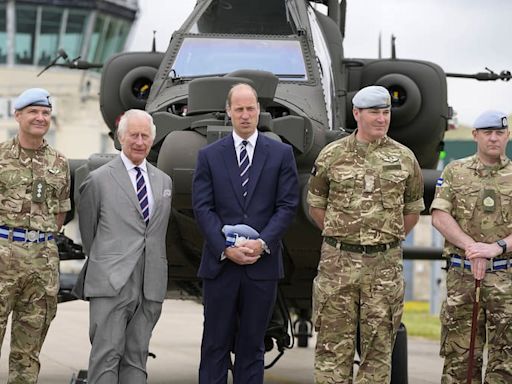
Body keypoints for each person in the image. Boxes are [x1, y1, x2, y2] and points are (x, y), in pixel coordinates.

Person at [307, 85, 425, 383]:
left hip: (383, 267)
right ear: (357, 114)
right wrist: (344, 237)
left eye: (385, 112)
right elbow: (316, 206)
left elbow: (412, 211)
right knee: (333, 349)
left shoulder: (404, 158)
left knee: (379, 350)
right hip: (338, 266)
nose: (382, 119)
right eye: (375, 112)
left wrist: (382, 239)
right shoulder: (332, 155)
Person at [192, 83, 299, 384]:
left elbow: (287, 205)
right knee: (214, 343)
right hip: (221, 265)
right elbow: (202, 208)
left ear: (259, 111)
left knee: (252, 346)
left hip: (261, 266)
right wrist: (225, 248)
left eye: (250, 108)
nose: (245, 114)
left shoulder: (281, 154)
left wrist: (261, 243)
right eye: (238, 109)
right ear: (228, 112)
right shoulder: (209, 156)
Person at [72, 109, 172, 384]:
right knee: (106, 356)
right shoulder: (99, 179)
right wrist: (108, 260)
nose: (139, 142)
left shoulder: (164, 181)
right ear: (120, 137)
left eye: (145, 136)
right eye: (133, 135)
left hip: (149, 282)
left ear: (152, 139)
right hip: (111, 280)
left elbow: (155, 233)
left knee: (137, 358)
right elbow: (89, 233)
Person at [431, 110, 512, 383]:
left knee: (506, 361)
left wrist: (496, 248)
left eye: (499, 133)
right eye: (487, 133)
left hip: (506, 279)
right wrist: (472, 247)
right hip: (463, 278)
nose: (494, 138)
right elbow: (440, 216)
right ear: (475, 135)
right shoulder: (456, 171)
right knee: (460, 359)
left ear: (507, 136)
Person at [0, 88, 71, 383]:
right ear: (18, 115)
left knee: (27, 354)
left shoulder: (60, 163)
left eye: (45, 113)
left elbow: (60, 212)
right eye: (33, 111)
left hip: (42, 264)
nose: (40, 118)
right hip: (3, 259)